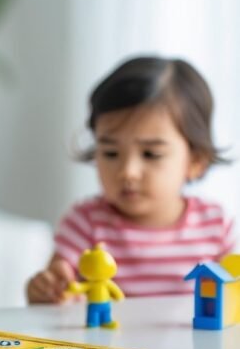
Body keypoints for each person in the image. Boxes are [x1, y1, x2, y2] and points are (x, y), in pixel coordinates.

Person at [27, 56, 235, 304]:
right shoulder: (85, 224)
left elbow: (232, 304)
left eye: (151, 154)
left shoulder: (216, 225)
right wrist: (46, 291)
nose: (128, 171)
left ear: (195, 161)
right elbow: (54, 296)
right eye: (111, 153)